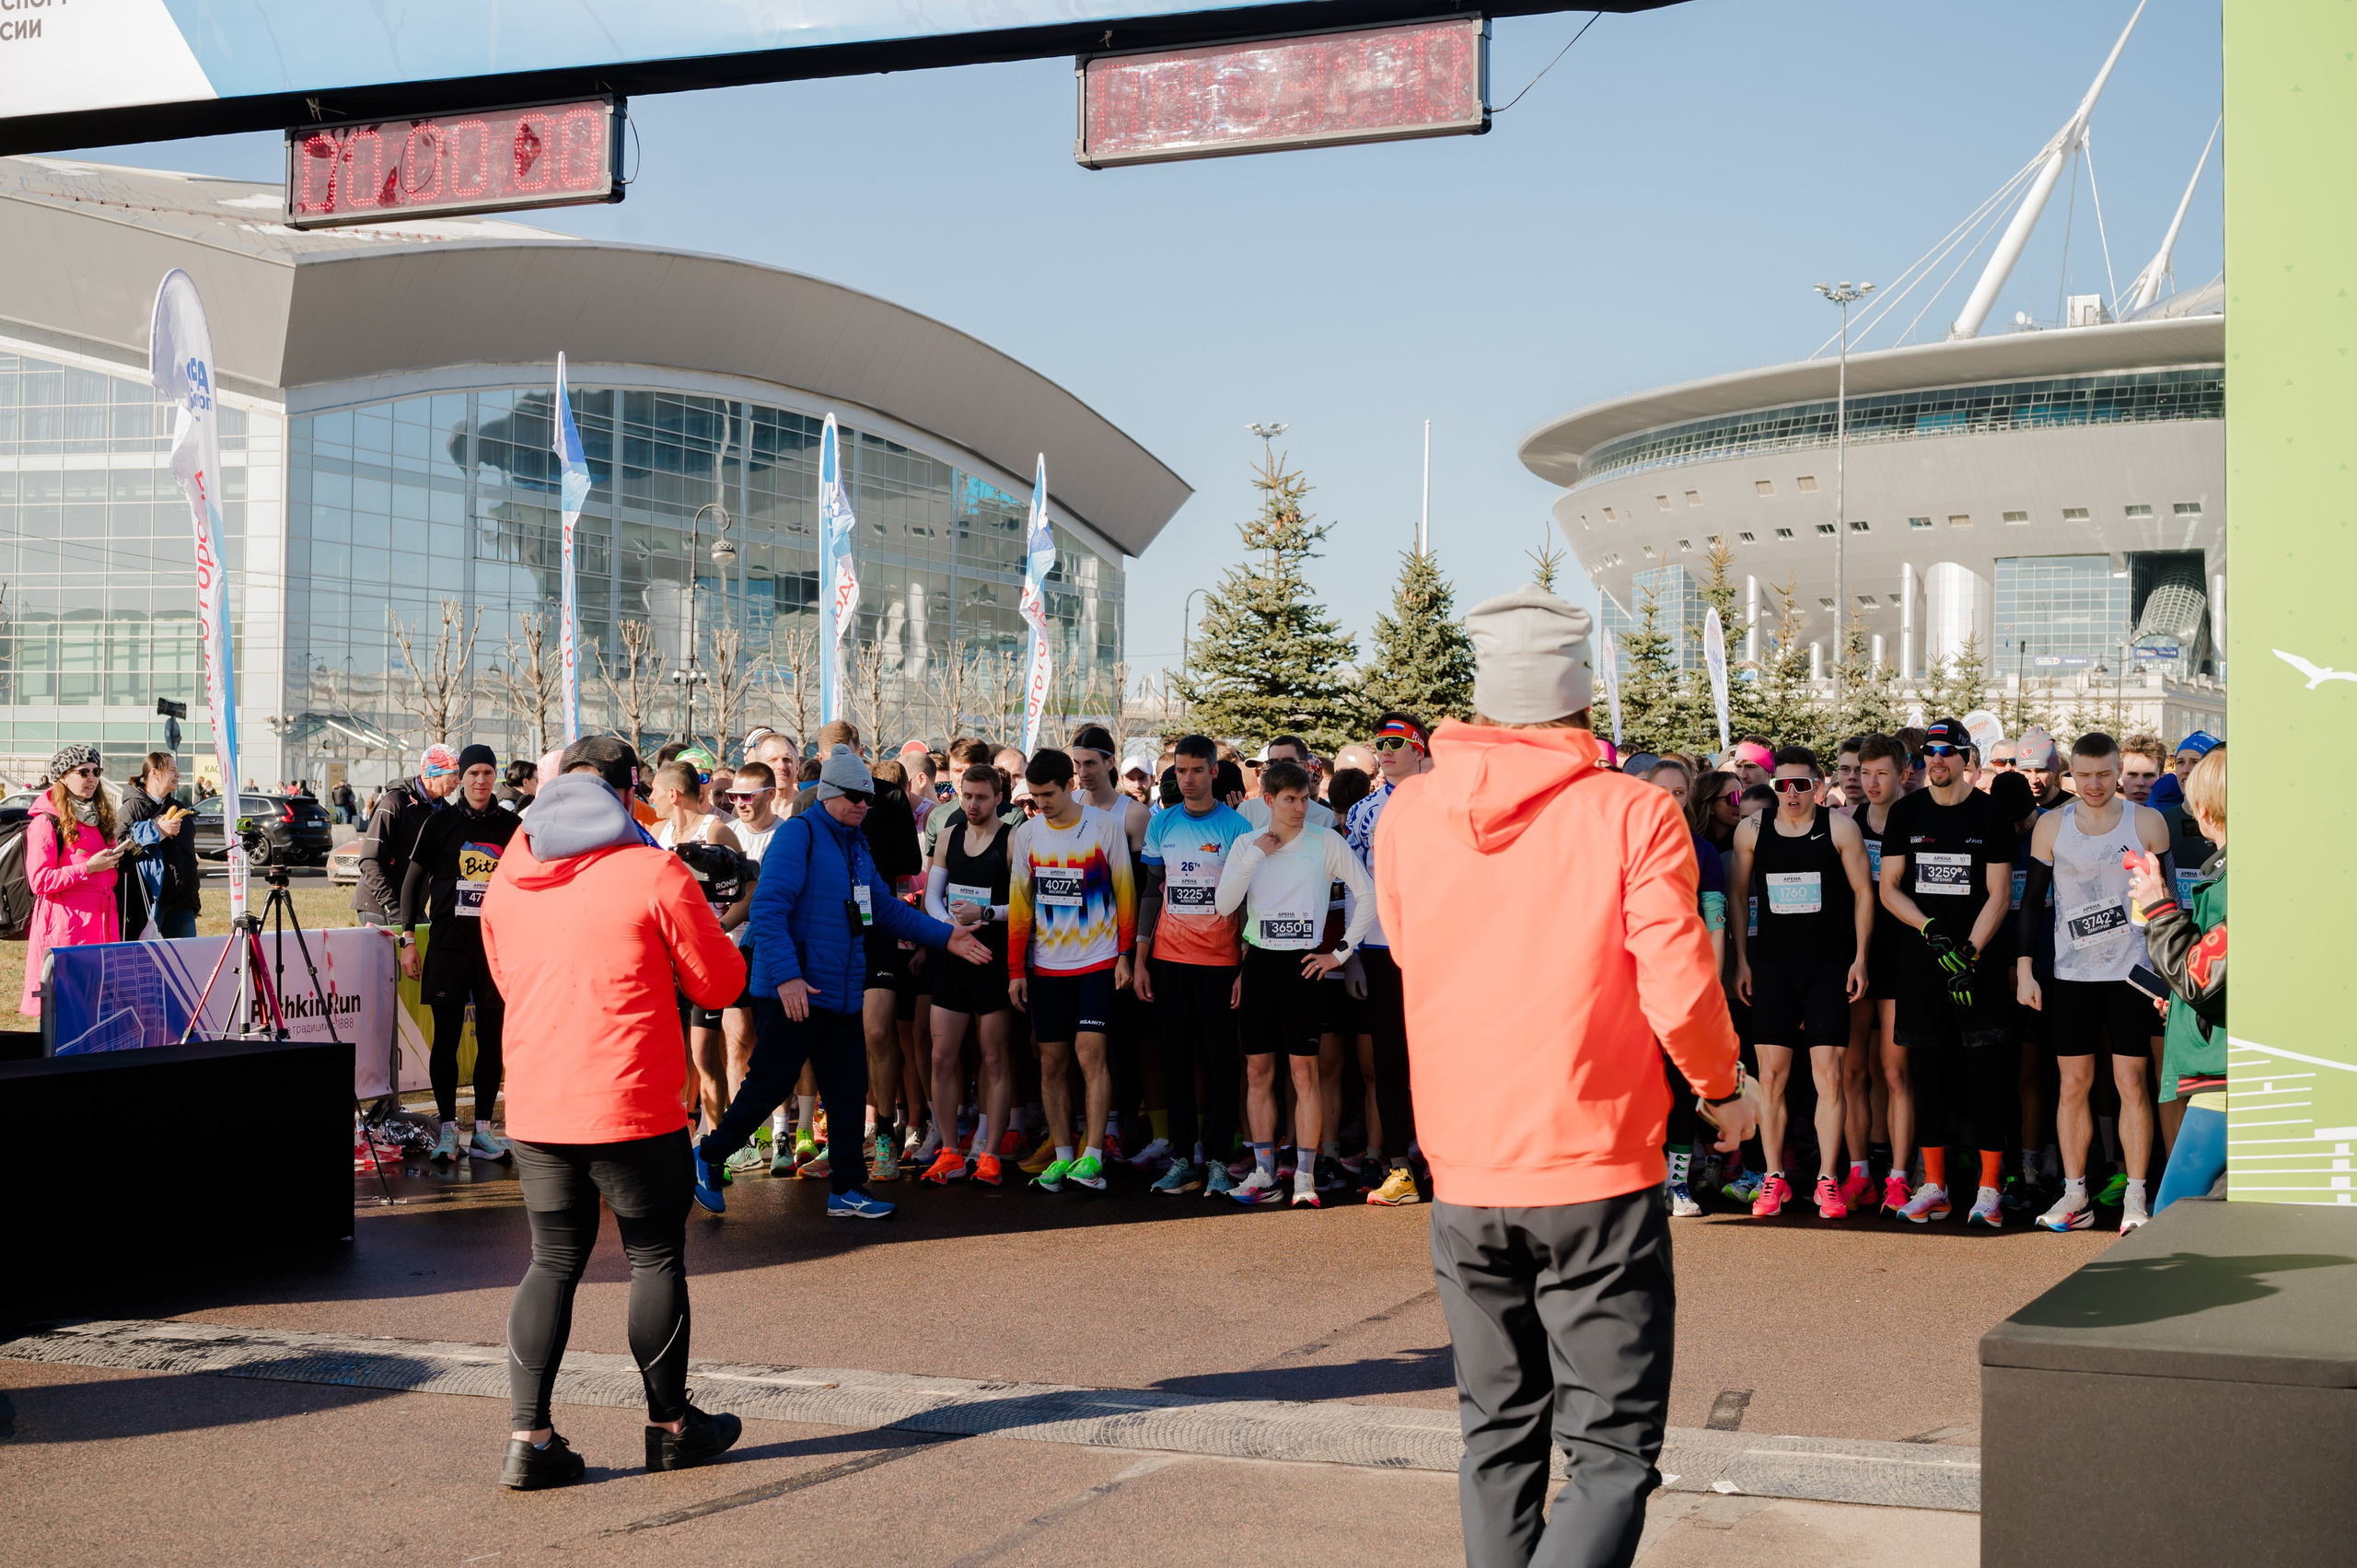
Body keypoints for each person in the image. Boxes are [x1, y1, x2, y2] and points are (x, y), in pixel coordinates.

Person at [1376, 585, 1750, 1568]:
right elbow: (1676, 975)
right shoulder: (1631, 810)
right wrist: (1722, 1090)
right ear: (1581, 699)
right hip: (1593, 1159)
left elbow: (1414, 950)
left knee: (1496, 1433)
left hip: (1465, 1159)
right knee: (1613, 1453)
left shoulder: (1409, 809)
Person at [479, 736, 749, 1490]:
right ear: (630, 793)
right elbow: (721, 984)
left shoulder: (511, 870)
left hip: (536, 1096)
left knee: (551, 1260)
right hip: (629, 1097)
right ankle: (670, 1427)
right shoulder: (652, 869)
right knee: (654, 1255)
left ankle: (528, 1439)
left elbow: (505, 974)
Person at [693, 746, 991, 1217]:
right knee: (770, 1086)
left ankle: (847, 1188)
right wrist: (789, 979)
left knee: (849, 1089)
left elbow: (886, 910)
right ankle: (707, 1155)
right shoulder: (798, 836)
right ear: (830, 794)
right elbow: (769, 912)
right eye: (854, 797)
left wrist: (947, 936)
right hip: (793, 993)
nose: (863, 805)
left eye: (868, 799)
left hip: (838, 991)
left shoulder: (856, 845)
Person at [2017, 731, 2171, 1235]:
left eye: (2104, 774)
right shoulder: (2050, 826)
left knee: (2131, 1083)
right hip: (2072, 976)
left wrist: (2171, 976)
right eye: (2083, 775)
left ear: (2118, 772)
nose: (2095, 784)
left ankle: (2136, 1196)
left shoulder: (2147, 821)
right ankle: (2075, 1193)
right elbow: (2032, 904)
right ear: (2070, 774)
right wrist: (2024, 969)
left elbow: (2171, 903)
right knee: (2073, 1085)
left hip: (2132, 975)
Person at [1213, 758, 1374, 1207]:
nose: (1300, 807)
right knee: (1257, 1071)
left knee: (1305, 1074)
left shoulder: (1326, 842)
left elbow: (1368, 896)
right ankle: (1264, 1172)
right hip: (1261, 965)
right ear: (1268, 801)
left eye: (1305, 798)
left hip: (1305, 968)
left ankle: (1304, 1176)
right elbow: (1224, 905)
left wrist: (1338, 953)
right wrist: (1254, 857)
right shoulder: (1248, 843)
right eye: (1290, 800)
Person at [1878, 717, 2017, 1226]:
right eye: (1928, 753)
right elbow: (1889, 888)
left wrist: (1970, 952)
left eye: (1946, 752)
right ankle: (1934, 1185)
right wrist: (1930, 929)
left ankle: (1989, 1189)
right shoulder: (1905, 813)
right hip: (1923, 963)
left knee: (1986, 1078)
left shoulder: (1992, 815)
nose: (1934, 760)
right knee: (1928, 1076)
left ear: (1966, 759)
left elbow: (1999, 894)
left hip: (1975, 967)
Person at [1727, 745, 1873, 1220]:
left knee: (1828, 1076)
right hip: (1772, 968)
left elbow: (1863, 894)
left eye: (1801, 784)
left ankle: (1828, 1179)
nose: (1791, 794)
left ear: (1819, 783)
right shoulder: (1752, 830)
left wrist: (1860, 958)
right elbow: (1738, 895)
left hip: (1828, 967)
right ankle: (1774, 1177)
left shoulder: (1840, 827)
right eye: (1783, 785)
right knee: (1770, 1078)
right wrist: (1743, 961)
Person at [1005, 748, 1135, 1194]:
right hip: (1046, 968)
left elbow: (1126, 894)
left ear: (1070, 786)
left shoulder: (1105, 827)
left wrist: (1125, 956)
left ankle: (1093, 1157)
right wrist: (1015, 971)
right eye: (1035, 795)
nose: (1040, 804)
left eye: (1048, 794)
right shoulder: (1026, 835)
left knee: (1089, 1055)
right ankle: (1063, 1157)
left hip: (1098, 961)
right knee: (1051, 1060)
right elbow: (1021, 908)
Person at [1135, 734, 1254, 1198]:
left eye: (1196, 770)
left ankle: (1220, 1160)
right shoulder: (1162, 824)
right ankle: (1183, 1159)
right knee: (1176, 1061)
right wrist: (1141, 960)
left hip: (1222, 962)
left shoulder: (1236, 828)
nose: (1187, 779)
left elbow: (1248, 903)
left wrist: (1245, 964)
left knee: (1222, 1063)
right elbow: (1151, 893)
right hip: (1168, 960)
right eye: (1180, 771)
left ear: (1213, 772)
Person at [397, 744, 523, 1163]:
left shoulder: (512, 826)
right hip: (449, 945)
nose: (481, 781)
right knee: (447, 1039)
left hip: (496, 948)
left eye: (488, 772)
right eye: (473, 774)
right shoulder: (440, 823)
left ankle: (484, 1130)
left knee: (492, 1041)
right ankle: (449, 1129)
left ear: (495, 776)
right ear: (461, 778)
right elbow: (411, 885)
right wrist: (409, 940)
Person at [1343, 711, 1434, 1207]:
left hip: (1438, 955)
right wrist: (1353, 957)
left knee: (1440, 1060)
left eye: (1396, 741)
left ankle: (1446, 1159)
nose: (1386, 748)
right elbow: (1356, 889)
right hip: (1380, 950)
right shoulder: (1361, 813)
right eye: (1380, 742)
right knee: (1389, 1062)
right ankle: (1401, 1166)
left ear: (1419, 748)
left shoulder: (1449, 804)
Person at [919, 763, 1018, 1187]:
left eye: (981, 797)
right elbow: (931, 898)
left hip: (994, 959)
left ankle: (990, 1153)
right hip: (954, 954)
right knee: (942, 1057)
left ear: (998, 798)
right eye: (966, 796)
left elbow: (1027, 906)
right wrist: (952, 929)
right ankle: (949, 1151)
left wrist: (987, 914)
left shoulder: (1012, 839)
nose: (973, 805)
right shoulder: (948, 835)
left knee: (993, 1057)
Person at [2138, 744, 2226, 1213]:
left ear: (2206, 810)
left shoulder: (2238, 881)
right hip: (2229, 1069)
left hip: (2227, 1080)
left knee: (2173, 1217)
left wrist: (2157, 904)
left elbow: (2199, 979)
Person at [1639, 755, 1725, 1216]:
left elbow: (1715, 924)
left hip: (1682, 989)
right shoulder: (1622, 846)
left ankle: (1677, 1185)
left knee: (1679, 1088)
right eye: (1661, 791)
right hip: (1630, 989)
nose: (1670, 800)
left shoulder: (1704, 852)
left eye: (1679, 792)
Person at [1070, 723, 1153, 1162]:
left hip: (1118, 948)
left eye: (1090, 763)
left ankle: (1121, 1128)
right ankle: (1079, 1131)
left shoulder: (1133, 815)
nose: (1083, 772)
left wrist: (1132, 950)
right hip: (1072, 948)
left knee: (1121, 1042)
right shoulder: (1068, 808)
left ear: (1109, 763)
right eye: (1077, 764)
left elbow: (1141, 891)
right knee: (1075, 1046)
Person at [1851, 735, 1912, 1214]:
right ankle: (1859, 1172)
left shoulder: (1915, 822)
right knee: (1854, 1070)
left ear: (1902, 774)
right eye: (1863, 772)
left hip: (1899, 959)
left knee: (1894, 1072)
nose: (1871, 782)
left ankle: (1899, 1175)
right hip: (1855, 959)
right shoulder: (1845, 822)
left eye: (1881, 773)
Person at [22, 744, 124, 1017]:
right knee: (64, 1010)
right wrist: (88, 868)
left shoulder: (100, 818)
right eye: (83, 772)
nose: (91, 778)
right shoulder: (46, 822)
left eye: (96, 771)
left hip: (102, 923)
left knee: (96, 1008)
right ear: (64, 777)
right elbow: (39, 881)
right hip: (67, 927)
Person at [354, 744, 460, 925]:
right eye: (454, 774)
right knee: (391, 955)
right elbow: (368, 860)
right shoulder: (394, 802)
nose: (459, 781)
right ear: (433, 773)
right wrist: (393, 908)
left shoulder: (446, 812)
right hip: (380, 906)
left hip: (413, 909)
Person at [121, 751, 199, 941]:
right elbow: (121, 847)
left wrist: (193, 901)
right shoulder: (132, 807)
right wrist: (158, 831)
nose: (178, 776)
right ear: (155, 773)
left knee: (188, 961)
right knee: (144, 961)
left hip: (182, 904)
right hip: (148, 902)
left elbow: (189, 857)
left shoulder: (179, 807)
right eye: (172, 770)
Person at [1241, 736, 1334, 830]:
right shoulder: (1247, 810)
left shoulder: (1325, 817)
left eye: (1288, 761)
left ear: (1305, 767)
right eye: (1273, 762)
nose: (1280, 768)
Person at [2118, 734, 2165, 806]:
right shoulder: (2105, 815)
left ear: (2161, 776)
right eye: (2132, 775)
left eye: (2148, 775)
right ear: (2119, 776)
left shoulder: (2171, 816)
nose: (2140, 783)